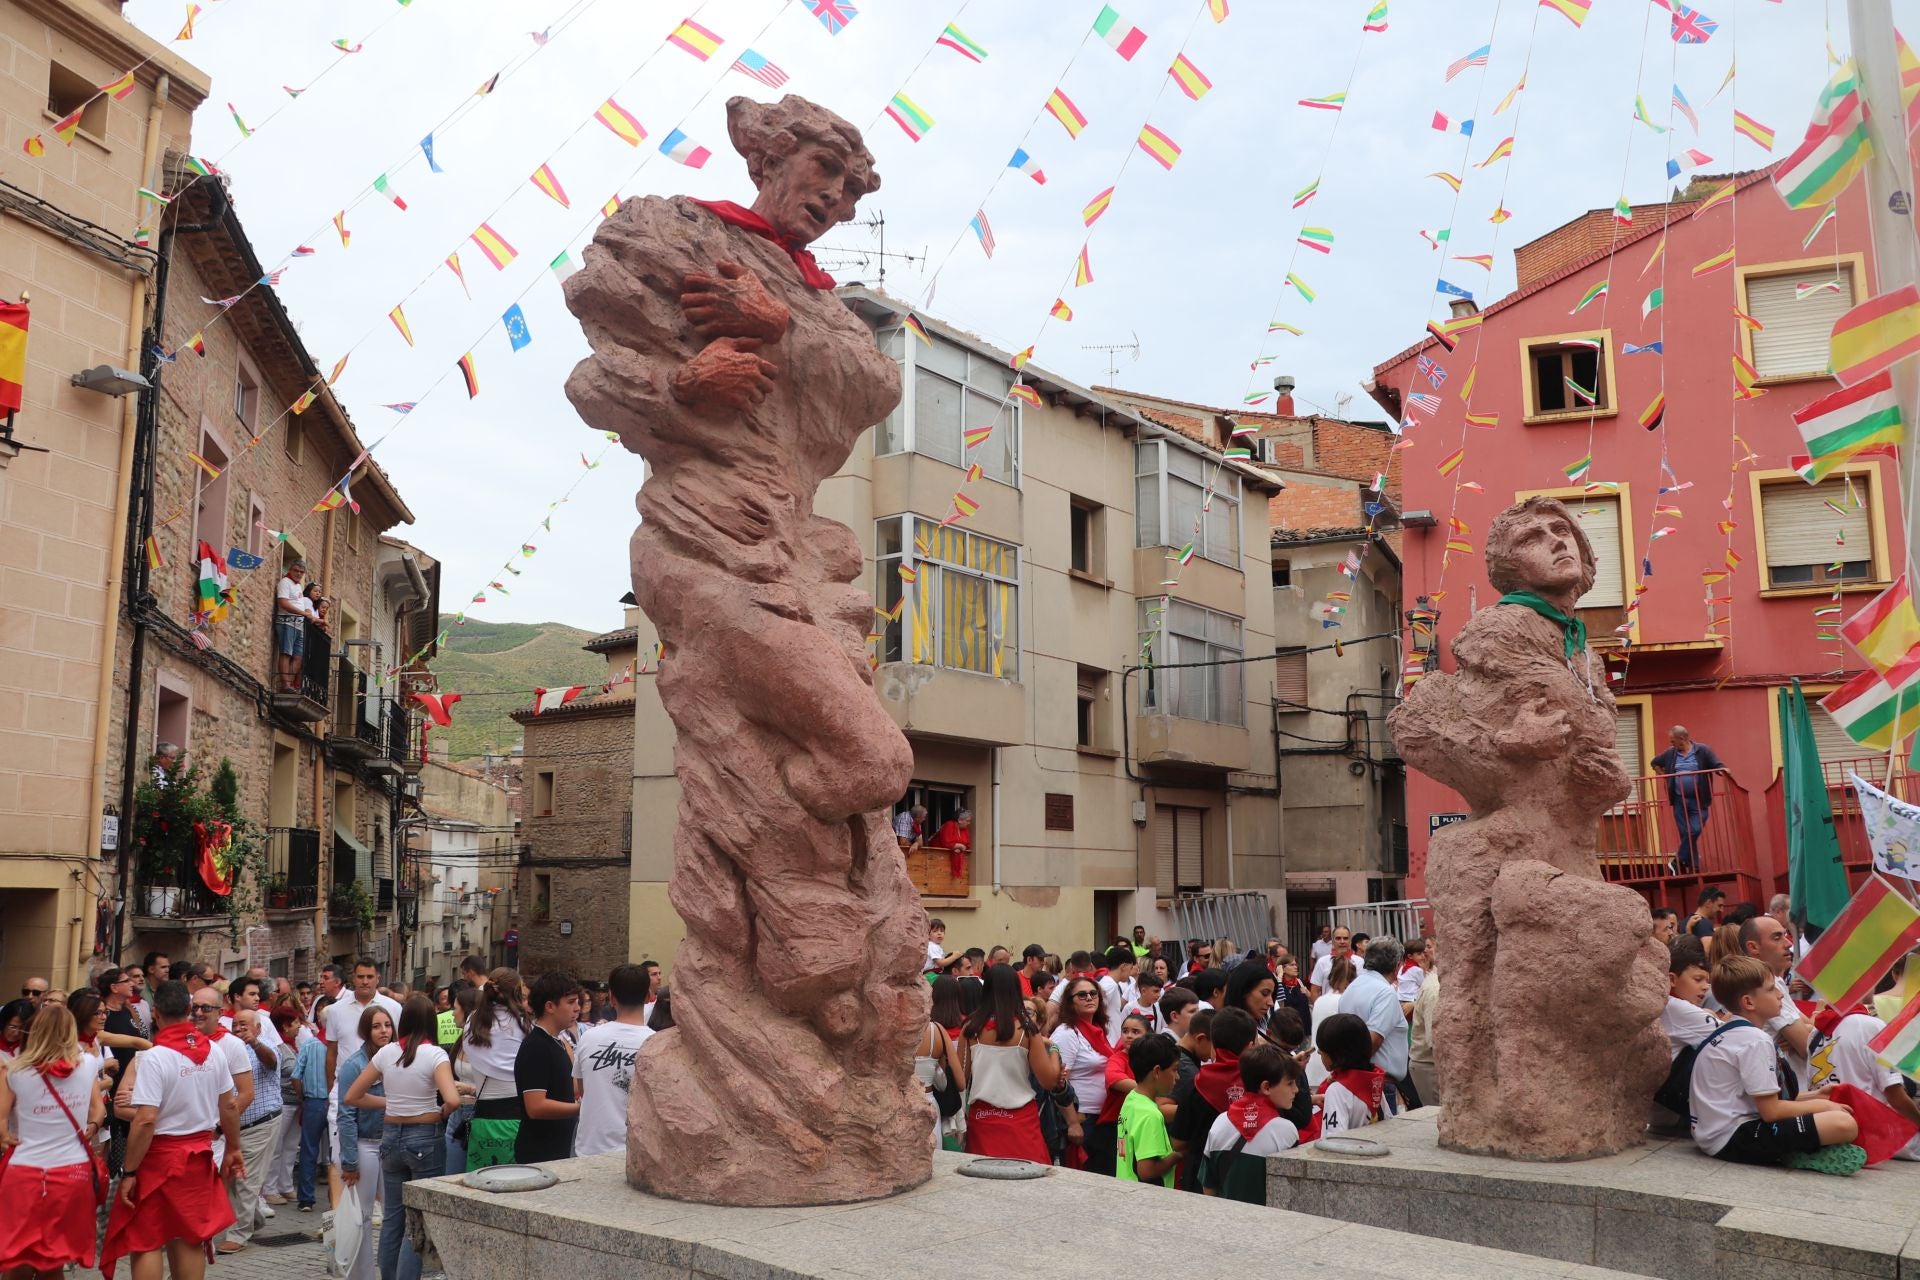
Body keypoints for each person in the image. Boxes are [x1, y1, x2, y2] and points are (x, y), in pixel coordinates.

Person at [102, 979, 243, 1280]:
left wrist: (129, 1171)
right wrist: (233, 1147)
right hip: (198, 1156)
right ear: (190, 1010)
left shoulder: (155, 1057)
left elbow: (146, 1119)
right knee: (189, 1237)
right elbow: (229, 1106)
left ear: (155, 1013)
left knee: (146, 1239)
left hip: (159, 1156)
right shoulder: (214, 1052)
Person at [1690, 957, 1862, 1173]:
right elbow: (1771, 1111)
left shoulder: (1735, 1031)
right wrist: (1824, 1106)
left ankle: (1798, 1147)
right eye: (1771, 990)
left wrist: (1816, 1095)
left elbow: (1763, 1097)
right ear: (1749, 1002)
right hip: (1732, 1138)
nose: (1780, 994)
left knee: (1832, 1110)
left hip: (1713, 1135)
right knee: (1843, 1124)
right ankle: (1796, 1153)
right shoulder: (1754, 1040)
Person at [343, 995, 461, 1280]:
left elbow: (352, 1096)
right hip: (424, 1136)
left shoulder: (387, 1053)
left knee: (393, 1218)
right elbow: (453, 1100)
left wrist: (390, 1104)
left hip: (390, 1137)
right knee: (418, 1219)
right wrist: (441, 1111)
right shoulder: (435, 1055)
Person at [0, 1004, 106, 1276]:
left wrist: (8, 1136)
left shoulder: (13, 1072)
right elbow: (99, 1109)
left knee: (17, 1258)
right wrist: (91, 1126)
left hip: (25, 1170)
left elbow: (0, 1122)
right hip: (73, 1172)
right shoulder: (89, 1065)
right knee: (53, 1260)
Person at [959, 963, 1059, 1162]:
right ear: (1016, 989)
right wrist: (1054, 1050)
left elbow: (961, 1078)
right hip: (1021, 1120)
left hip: (982, 1118)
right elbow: (1049, 1080)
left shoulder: (970, 1029)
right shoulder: (1028, 1030)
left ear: (985, 989)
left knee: (981, 1184)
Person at [1201, 1042, 1303, 1201]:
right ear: (1266, 1087)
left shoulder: (1220, 1122)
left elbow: (1208, 1184)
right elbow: (1291, 1192)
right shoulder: (1286, 1130)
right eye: (1290, 1083)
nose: (1296, 1089)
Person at [335, 1004, 393, 1280]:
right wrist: (350, 1161)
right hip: (365, 1143)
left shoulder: (398, 1058)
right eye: (376, 1026)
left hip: (392, 1143)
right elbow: (345, 1116)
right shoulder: (354, 1065)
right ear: (366, 1031)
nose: (383, 1031)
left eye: (387, 1025)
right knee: (364, 1217)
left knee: (394, 1214)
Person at [573, 965, 655, 1158]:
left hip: (590, 1147)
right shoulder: (657, 1044)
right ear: (647, 997)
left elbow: (583, 1090)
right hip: (639, 1149)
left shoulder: (589, 1038)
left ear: (611, 997)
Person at [219, 1008, 284, 1254]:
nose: (238, 1028)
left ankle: (238, 1233)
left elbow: (272, 1061)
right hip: (235, 1125)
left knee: (246, 1179)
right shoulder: (229, 1047)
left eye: (244, 1024)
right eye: (235, 1024)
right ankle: (254, 1219)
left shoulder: (264, 1045)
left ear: (257, 1027)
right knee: (235, 1180)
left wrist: (255, 1043)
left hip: (261, 1121)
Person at [1170, 1007, 1256, 1192]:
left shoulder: (1198, 1085)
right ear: (1250, 1046)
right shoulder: (1261, 1085)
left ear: (1213, 1044)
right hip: (1249, 1175)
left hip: (1200, 1178)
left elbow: (1177, 1142)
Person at [462, 968, 531, 1169]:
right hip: (517, 1119)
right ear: (518, 992)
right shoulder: (523, 1024)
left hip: (483, 1118)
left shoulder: (472, 1021)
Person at [514, 971, 582, 1164]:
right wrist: (581, 1109)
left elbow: (569, 1088)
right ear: (550, 1006)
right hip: (541, 1154)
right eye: (570, 1002)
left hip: (558, 1149)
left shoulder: (559, 1042)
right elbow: (536, 1106)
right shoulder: (536, 1046)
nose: (577, 1008)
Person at [1051, 976, 1117, 1174]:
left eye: (1093, 993)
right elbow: (1058, 1083)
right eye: (1082, 995)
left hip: (1101, 1119)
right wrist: (1072, 1123)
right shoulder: (1066, 1033)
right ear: (1070, 1002)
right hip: (1082, 1120)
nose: (1089, 998)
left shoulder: (1097, 1030)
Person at [1343, 936, 1412, 1105]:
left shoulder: (1354, 986)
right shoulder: (1384, 992)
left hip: (1358, 1079)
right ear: (1396, 966)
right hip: (1377, 1083)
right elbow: (1372, 1040)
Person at [1651, 726, 1724, 873]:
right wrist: (1663, 775)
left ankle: (1678, 861)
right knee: (1686, 834)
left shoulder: (1702, 750)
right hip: (1679, 799)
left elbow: (1716, 763)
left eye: (1673, 741)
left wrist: (1722, 769)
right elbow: (1654, 762)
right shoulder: (1671, 753)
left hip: (1699, 799)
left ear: (1682, 739)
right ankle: (1693, 865)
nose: (1671, 744)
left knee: (1694, 830)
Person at [1116, 1033, 1179, 1186]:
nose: (1177, 1077)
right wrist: (1177, 1156)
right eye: (1174, 1070)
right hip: (1145, 1200)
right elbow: (1147, 1171)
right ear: (1157, 1071)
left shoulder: (1132, 1098)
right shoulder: (1151, 1115)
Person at [1316, 1012, 1389, 1133]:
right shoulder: (1374, 1082)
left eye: (1322, 1049)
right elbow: (1388, 1123)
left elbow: (1333, 1141)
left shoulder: (1336, 1091)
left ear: (1337, 1053)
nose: (1319, 1053)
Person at [290, 1010, 331, 1211]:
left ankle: (306, 1198)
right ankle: (339, 1197)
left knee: (309, 1150)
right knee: (337, 1150)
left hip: (313, 1102)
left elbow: (296, 1076)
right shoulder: (340, 1045)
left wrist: (302, 1096)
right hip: (336, 1102)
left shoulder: (310, 1045)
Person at [1407, 948, 1442, 1109]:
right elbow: (1433, 1040)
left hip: (1429, 1065)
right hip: (1430, 1066)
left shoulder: (1435, 982)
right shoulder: (1435, 988)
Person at [274, 560, 316, 692]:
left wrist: (307, 612)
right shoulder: (285, 583)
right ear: (290, 570)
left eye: (301, 572)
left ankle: (289, 684)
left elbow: (301, 604)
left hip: (297, 624)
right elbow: (283, 603)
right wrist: (303, 613)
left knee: (298, 657)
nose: (298, 574)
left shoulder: (297, 586)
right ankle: (285, 684)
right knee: (286, 653)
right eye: (296, 571)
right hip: (287, 622)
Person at [1308, 927, 1358, 999]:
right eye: (1338, 938)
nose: (1342, 941)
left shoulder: (1360, 962)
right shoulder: (1322, 962)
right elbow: (1315, 991)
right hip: (1329, 1008)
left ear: (1350, 941)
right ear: (1333, 941)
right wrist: (1320, 1008)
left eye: (1345, 938)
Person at [927, 809, 973, 880]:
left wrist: (958, 847)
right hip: (936, 858)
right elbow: (946, 842)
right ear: (960, 820)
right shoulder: (949, 825)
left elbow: (967, 844)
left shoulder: (965, 829)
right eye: (967, 821)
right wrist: (959, 846)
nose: (969, 823)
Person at [1397, 936, 1430, 1019]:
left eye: (1423, 953)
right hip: (1412, 1003)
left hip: (1401, 1001)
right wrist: (1425, 970)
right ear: (1410, 956)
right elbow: (1426, 985)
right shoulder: (1416, 970)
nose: (1423, 956)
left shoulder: (1403, 967)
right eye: (1419, 954)